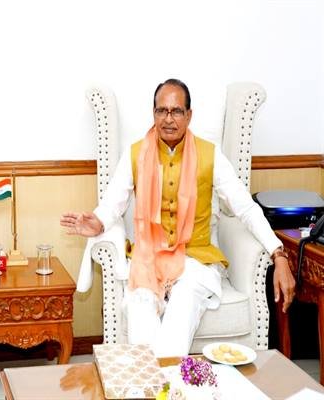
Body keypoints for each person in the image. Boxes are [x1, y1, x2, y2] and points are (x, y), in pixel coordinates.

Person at [60, 79, 296, 357]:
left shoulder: (210, 155)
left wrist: (278, 254)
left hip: (196, 260)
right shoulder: (136, 154)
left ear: (189, 115)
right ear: (154, 114)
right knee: (139, 310)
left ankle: (161, 379)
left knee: (183, 305)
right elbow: (113, 203)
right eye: (162, 111)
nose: (168, 119)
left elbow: (246, 208)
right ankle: (162, 379)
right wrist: (97, 222)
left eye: (176, 111)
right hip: (148, 259)